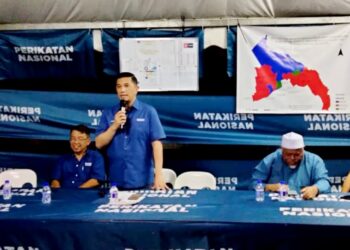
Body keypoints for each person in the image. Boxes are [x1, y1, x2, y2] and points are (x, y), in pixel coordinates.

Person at [95, 72, 168, 190]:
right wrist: (114, 126)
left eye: (126, 85)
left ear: (136, 89)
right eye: (118, 86)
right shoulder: (108, 113)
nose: (122, 90)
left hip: (142, 181)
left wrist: (159, 174)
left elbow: (157, 144)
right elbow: (99, 144)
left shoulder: (148, 112)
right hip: (115, 182)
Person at [250, 131, 331, 199]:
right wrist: (270, 187)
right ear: (282, 150)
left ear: (303, 150)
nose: (292, 158)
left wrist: (315, 189)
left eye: (297, 154)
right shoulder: (271, 159)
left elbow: (324, 182)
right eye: (288, 154)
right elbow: (253, 183)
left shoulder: (314, 160)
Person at [51, 124, 106, 188]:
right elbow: (55, 180)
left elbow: (96, 180)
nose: (76, 142)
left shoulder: (96, 157)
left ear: (88, 141)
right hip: (65, 195)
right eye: (73, 138)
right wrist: (57, 190)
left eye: (80, 139)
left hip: (89, 196)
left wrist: (77, 191)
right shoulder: (62, 159)